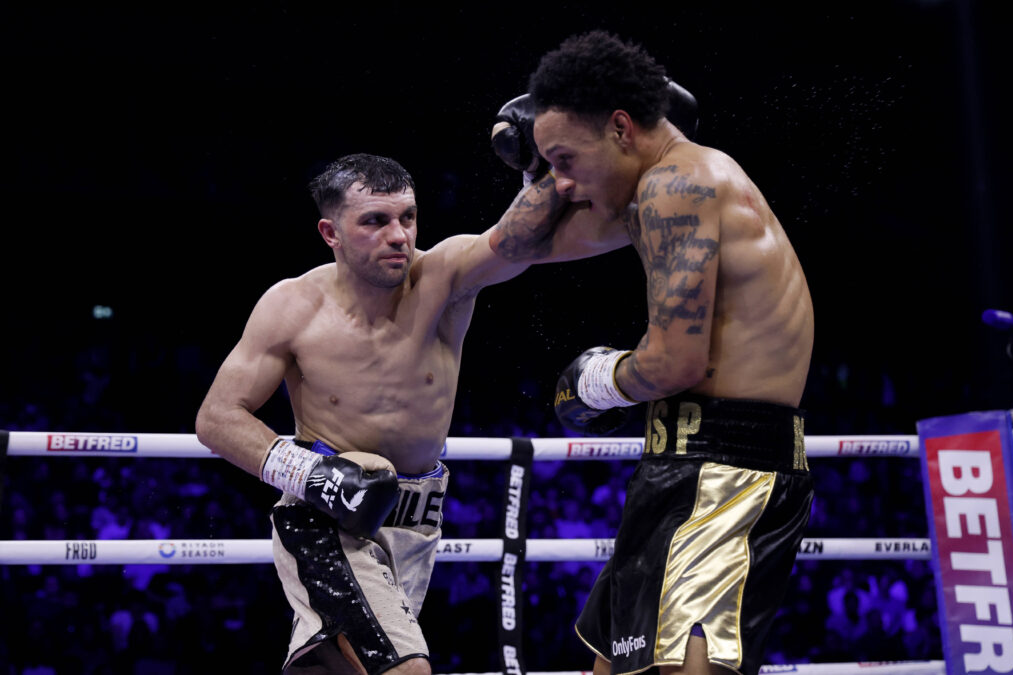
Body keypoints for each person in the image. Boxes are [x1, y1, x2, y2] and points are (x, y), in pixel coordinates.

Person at [194, 152, 629, 675]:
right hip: (324, 518)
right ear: (330, 232)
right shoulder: (292, 306)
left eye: (408, 217)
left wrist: (543, 173)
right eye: (375, 221)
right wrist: (311, 475)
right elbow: (217, 418)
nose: (399, 235)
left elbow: (524, 240)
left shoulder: (443, 278)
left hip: (415, 523)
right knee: (406, 669)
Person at [489, 30, 815, 675]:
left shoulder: (680, 186)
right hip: (678, 464)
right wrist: (538, 162)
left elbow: (675, 365)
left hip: (726, 472)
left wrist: (597, 382)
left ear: (620, 128)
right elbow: (514, 246)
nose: (562, 181)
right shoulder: (650, 189)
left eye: (565, 161)